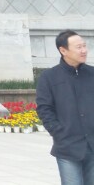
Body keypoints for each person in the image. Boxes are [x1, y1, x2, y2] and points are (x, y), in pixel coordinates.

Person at [37, 30, 94, 185]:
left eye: (84, 46)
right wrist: (58, 132)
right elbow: (44, 108)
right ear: (63, 50)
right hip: (67, 146)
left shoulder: (92, 74)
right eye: (78, 47)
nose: (84, 50)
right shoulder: (49, 77)